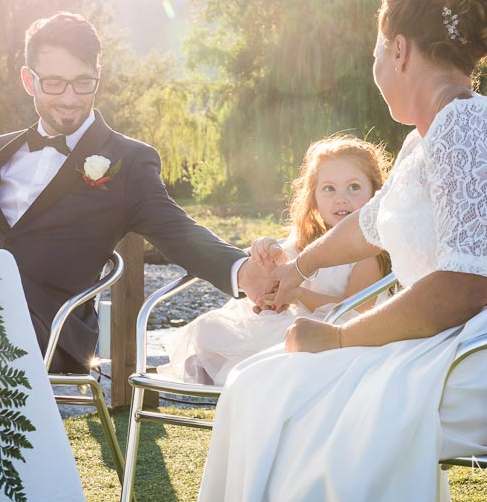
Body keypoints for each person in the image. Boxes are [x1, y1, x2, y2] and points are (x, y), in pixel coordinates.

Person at [194, 0, 487, 502]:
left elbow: (463, 286)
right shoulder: (431, 135)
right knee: (260, 383)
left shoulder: (467, 128)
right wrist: (298, 267)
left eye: (374, 55)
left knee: (281, 393)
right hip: (466, 342)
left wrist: (340, 340)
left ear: (398, 51)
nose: (374, 70)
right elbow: (375, 222)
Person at [0, 12, 267, 373]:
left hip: (54, 326)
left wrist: (243, 269)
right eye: (54, 84)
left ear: (98, 75)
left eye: (83, 83)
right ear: (28, 81)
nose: (69, 98)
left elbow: (177, 230)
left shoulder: (128, 160)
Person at [158, 135, 390, 385]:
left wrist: (297, 295)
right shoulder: (305, 241)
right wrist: (266, 251)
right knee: (209, 327)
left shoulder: (368, 254)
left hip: (329, 333)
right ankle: (216, 370)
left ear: (374, 193)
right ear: (313, 197)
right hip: (287, 321)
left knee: (283, 345)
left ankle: (235, 377)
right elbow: (278, 273)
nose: (341, 198)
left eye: (353, 187)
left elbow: (356, 312)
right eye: (329, 189)